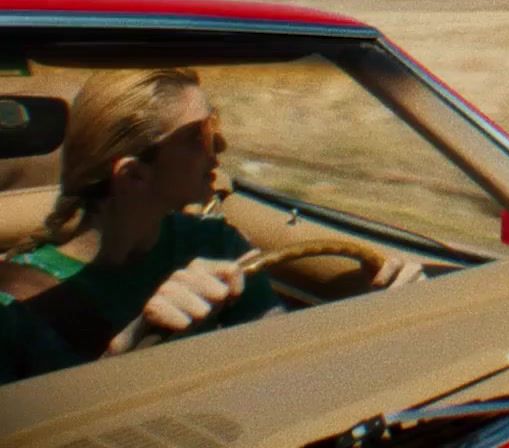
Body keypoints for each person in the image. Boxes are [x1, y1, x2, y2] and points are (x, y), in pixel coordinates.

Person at [0, 67, 413, 384]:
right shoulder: (17, 312)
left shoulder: (214, 242)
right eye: (201, 136)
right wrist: (123, 353)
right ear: (135, 177)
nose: (221, 148)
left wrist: (376, 319)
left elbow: (282, 358)